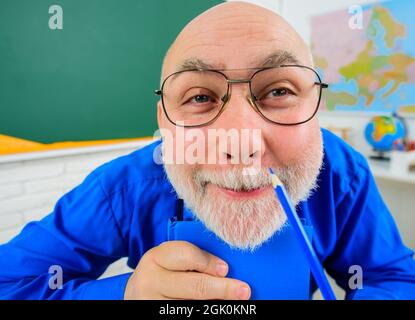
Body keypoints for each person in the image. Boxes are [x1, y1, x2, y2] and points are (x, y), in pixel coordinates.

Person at [0, 1, 414, 300]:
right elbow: (11, 281)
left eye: (279, 91)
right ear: (163, 121)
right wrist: (126, 293)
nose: (242, 144)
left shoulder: (344, 176)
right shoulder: (124, 188)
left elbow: (395, 276)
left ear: (316, 109)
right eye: (199, 97)